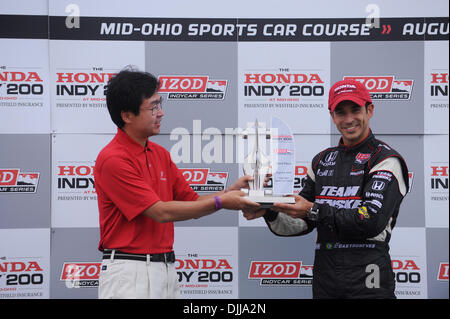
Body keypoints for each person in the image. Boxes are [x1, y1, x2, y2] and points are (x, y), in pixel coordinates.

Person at [94, 68, 259, 299]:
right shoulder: (113, 159)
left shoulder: (159, 153)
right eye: (153, 107)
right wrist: (223, 201)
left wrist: (232, 191)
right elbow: (160, 212)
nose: (161, 113)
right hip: (130, 273)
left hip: (166, 269)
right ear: (127, 116)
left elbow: (191, 202)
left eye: (160, 105)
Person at [244, 79, 409, 299]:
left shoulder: (385, 159)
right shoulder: (321, 161)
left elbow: (370, 220)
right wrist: (270, 208)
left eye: (355, 110)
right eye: (340, 112)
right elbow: (299, 223)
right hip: (326, 277)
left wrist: (313, 209)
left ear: (369, 110)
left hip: (369, 276)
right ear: (332, 116)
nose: (349, 119)